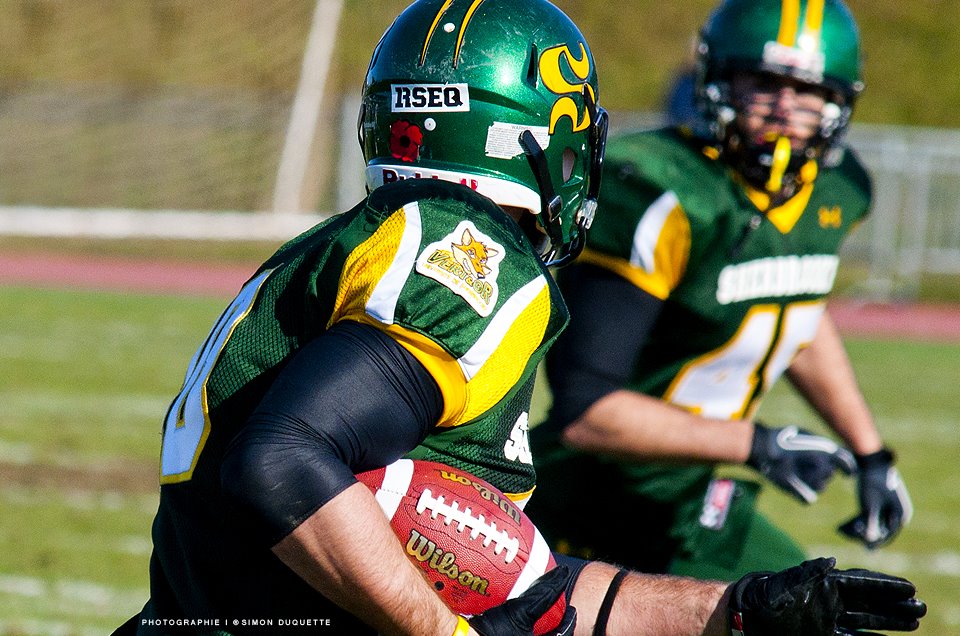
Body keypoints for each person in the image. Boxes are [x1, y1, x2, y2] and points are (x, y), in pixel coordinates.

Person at [117, 1, 925, 634]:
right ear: (530, 137)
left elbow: (535, 600)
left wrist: (737, 611)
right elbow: (285, 460)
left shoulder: (356, 241)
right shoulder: (470, 257)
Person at [528, 0, 914, 582]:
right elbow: (585, 413)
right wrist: (755, 444)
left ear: (838, 101)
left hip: (691, 493)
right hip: (591, 494)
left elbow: (795, 315)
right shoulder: (663, 191)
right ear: (719, 80)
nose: (785, 107)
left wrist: (870, 454)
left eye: (806, 90)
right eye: (763, 82)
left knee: (823, 614)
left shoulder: (837, 189)